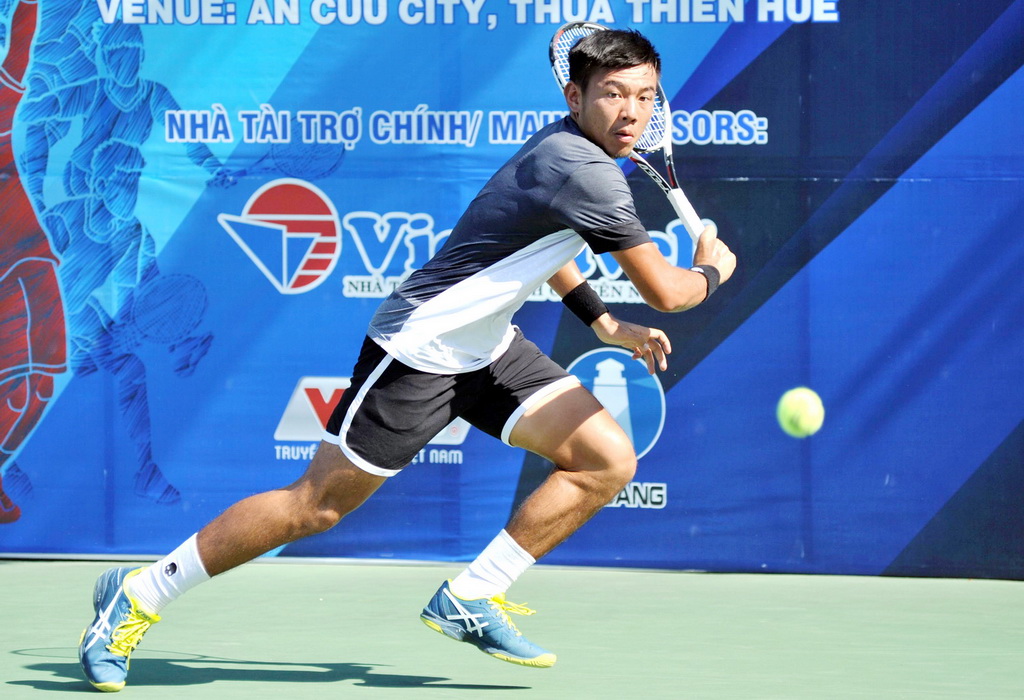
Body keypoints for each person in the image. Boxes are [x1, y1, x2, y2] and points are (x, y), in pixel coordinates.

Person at [78, 28, 736, 691]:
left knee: (605, 458)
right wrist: (711, 271)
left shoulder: (571, 153)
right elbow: (668, 292)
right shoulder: (585, 171)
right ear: (575, 95)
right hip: (421, 348)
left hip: (487, 346)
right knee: (314, 506)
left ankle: (472, 597)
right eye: (614, 94)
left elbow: (550, 245)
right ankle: (139, 594)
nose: (631, 112)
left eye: (646, 97)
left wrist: (604, 322)